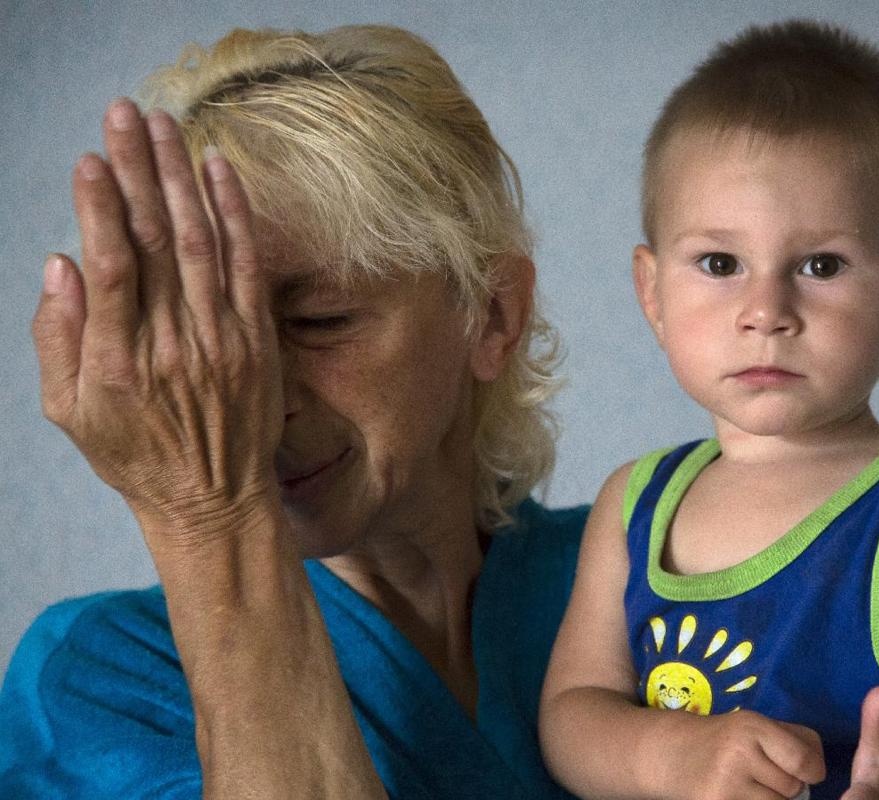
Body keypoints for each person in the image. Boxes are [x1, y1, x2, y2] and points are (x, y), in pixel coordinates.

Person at [1, 24, 584, 799]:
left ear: (493, 315)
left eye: (319, 321)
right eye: (205, 340)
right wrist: (207, 516)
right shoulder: (101, 680)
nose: (248, 398)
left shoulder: (657, 575)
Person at [539, 19, 879, 800]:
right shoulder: (632, 503)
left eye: (820, 264)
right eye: (719, 263)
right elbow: (572, 714)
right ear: (652, 293)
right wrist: (669, 754)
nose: (765, 309)